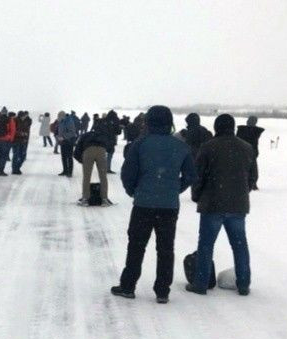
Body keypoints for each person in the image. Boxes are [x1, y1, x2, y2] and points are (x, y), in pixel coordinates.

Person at [111, 105, 195, 303]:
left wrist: (134, 191)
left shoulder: (140, 144)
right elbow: (191, 175)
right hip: (169, 206)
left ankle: (128, 286)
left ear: (148, 121)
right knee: (166, 248)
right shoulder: (181, 146)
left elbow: (127, 173)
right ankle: (162, 291)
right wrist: (175, 189)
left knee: (136, 246)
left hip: (143, 204)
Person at [188, 114, 255, 295]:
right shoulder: (246, 148)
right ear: (233, 127)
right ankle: (243, 283)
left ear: (217, 127)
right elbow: (253, 177)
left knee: (206, 245)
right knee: (240, 245)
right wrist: (241, 193)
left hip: (212, 204)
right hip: (238, 205)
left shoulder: (208, 147)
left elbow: (198, 176)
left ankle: (200, 284)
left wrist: (197, 196)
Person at [74, 127, 111, 205]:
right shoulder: (103, 135)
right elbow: (110, 146)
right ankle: (104, 199)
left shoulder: (85, 135)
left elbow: (78, 148)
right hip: (101, 150)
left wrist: (81, 160)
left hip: (88, 150)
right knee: (103, 176)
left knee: (87, 176)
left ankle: (85, 199)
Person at [236, 116, 265, 190]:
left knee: (242, 169)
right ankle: (252, 184)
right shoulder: (256, 131)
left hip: (242, 152)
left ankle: (244, 183)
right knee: (252, 170)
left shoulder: (241, 130)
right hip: (252, 152)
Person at [56, 111, 78, 176]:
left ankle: (70, 172)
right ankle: (65, 170)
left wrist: (63, 137)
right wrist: (58, 136)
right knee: (63, 157)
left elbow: (72, 132)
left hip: (69, 142)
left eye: (59, 116)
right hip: (63, 142)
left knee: (69, 157)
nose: (58, 117)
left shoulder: (69, 121)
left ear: (62, 116)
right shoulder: (61, 121)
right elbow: (60, 130)